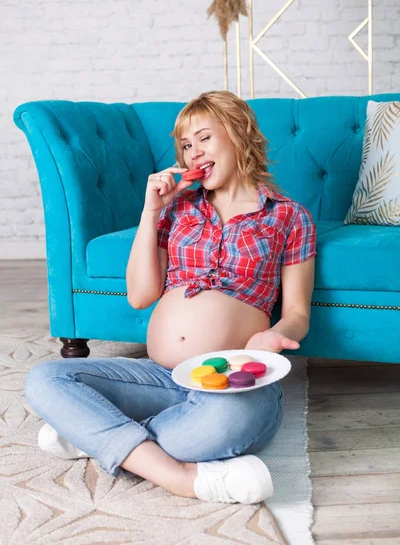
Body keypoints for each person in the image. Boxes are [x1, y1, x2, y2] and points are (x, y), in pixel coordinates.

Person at [24, 90, 317, 505]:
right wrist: (151, 211)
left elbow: (297, 314)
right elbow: (141, 295)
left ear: (239, 134)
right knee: (46, 379)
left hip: (232, 383)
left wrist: (273, 337)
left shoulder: (288, 216)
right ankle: (182, 476)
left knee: (229, 422)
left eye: (204, 139)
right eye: (184, 145)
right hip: (161, 379)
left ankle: (92, 434)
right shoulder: (179, 209)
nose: (193, 153)